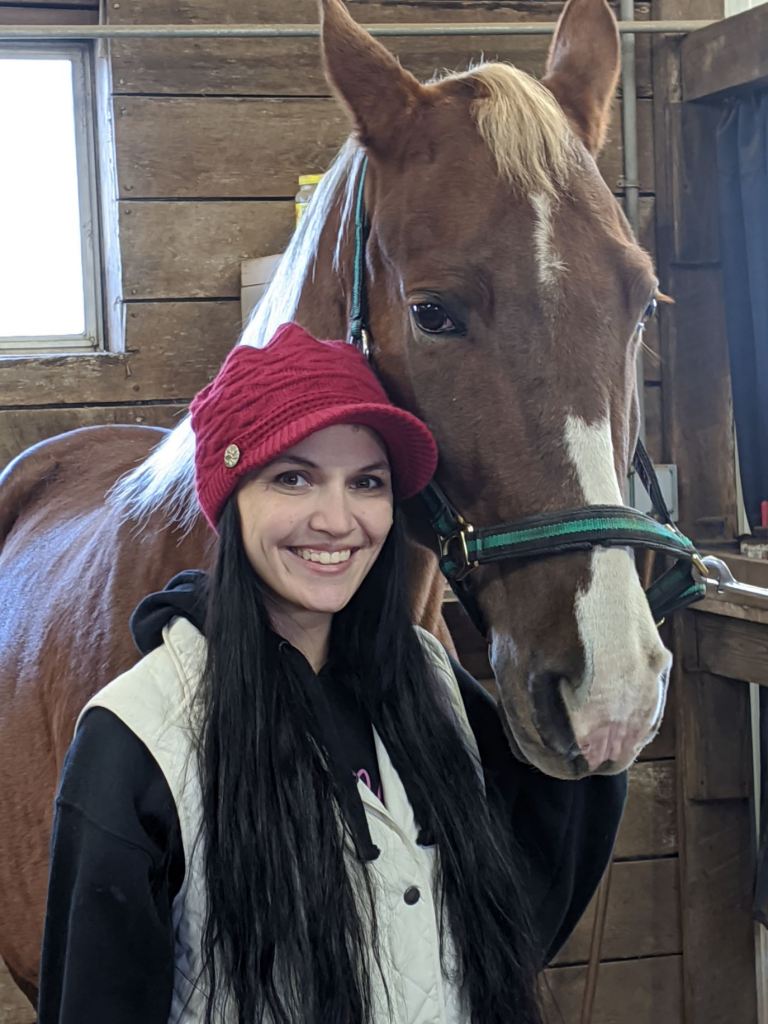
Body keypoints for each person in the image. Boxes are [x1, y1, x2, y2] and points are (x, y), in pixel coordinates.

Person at [38, 322, 627, 1024]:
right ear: (231, 499)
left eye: (367, 483)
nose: (338, 519)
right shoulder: (135, 738)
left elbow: (518, 896)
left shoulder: (432, 683)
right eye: (294, 477)